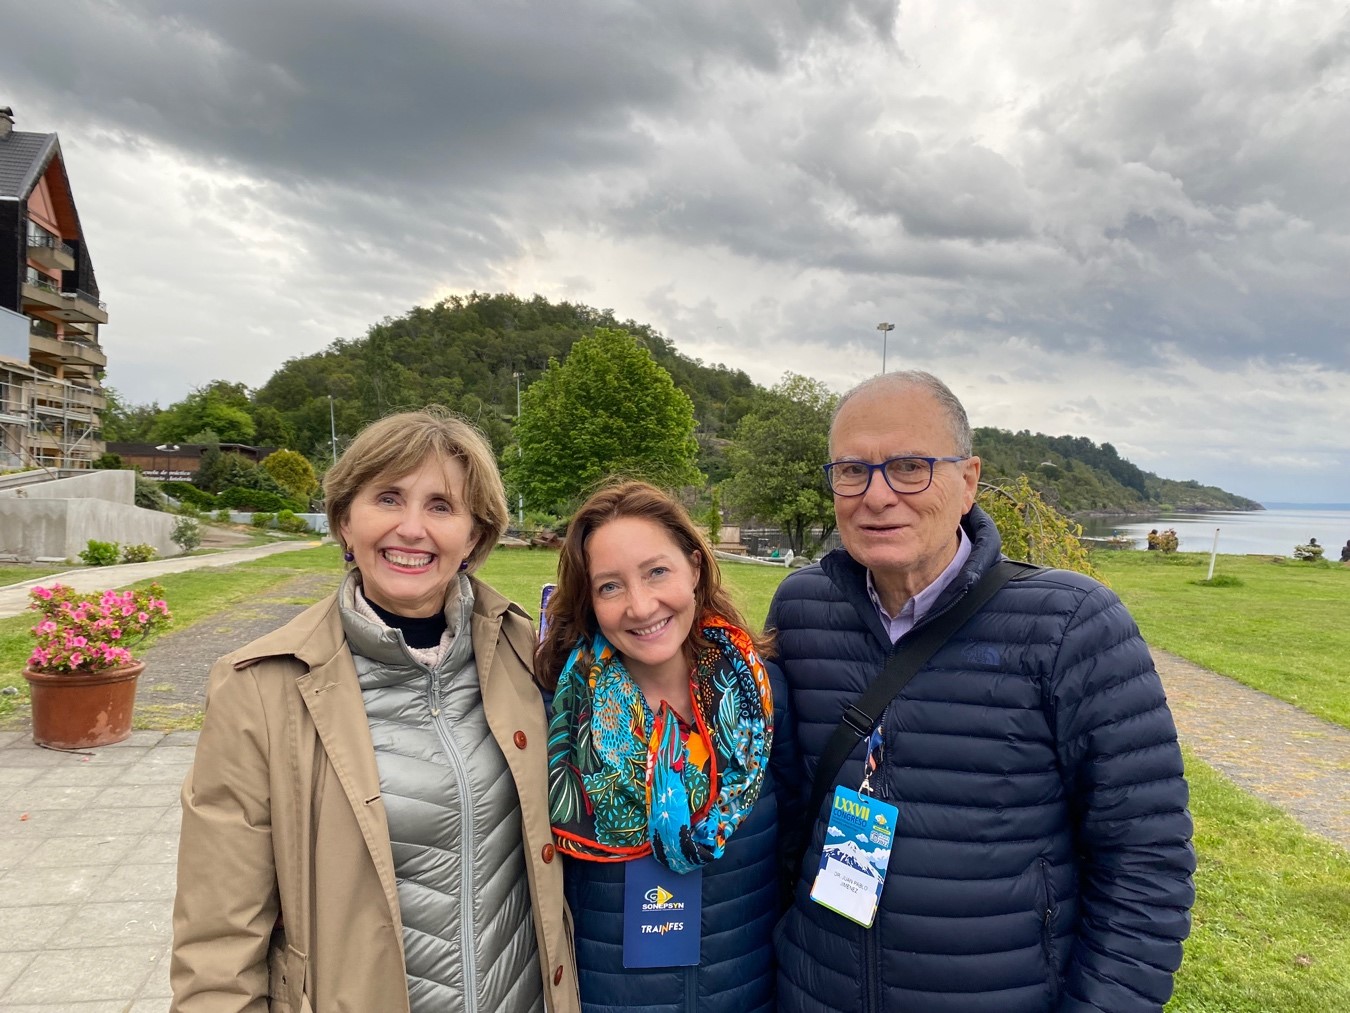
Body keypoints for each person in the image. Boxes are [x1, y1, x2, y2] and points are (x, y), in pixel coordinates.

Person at [768, 371, 1195, 1013]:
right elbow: (782, 806)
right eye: (852, 470)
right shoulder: (801, 609)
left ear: (968, 481)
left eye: (910, 467)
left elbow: (1145, 863)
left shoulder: (1072, 626)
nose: (877, 496)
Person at [171, 408, 579, 1013]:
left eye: (442, 506)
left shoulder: (523, 650)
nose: (412, 528)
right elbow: (217, 940)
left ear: (473, 536)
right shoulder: (260, 688)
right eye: (388, 498)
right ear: (344, 521)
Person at [538, 481, 797, 1013]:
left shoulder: (763, 697)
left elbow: (794, 845)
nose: (640, 605)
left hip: (746, 996)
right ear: (589, 599)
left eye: (657, 572)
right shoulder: (556, 715)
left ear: (695, 567)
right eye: (610, 586)